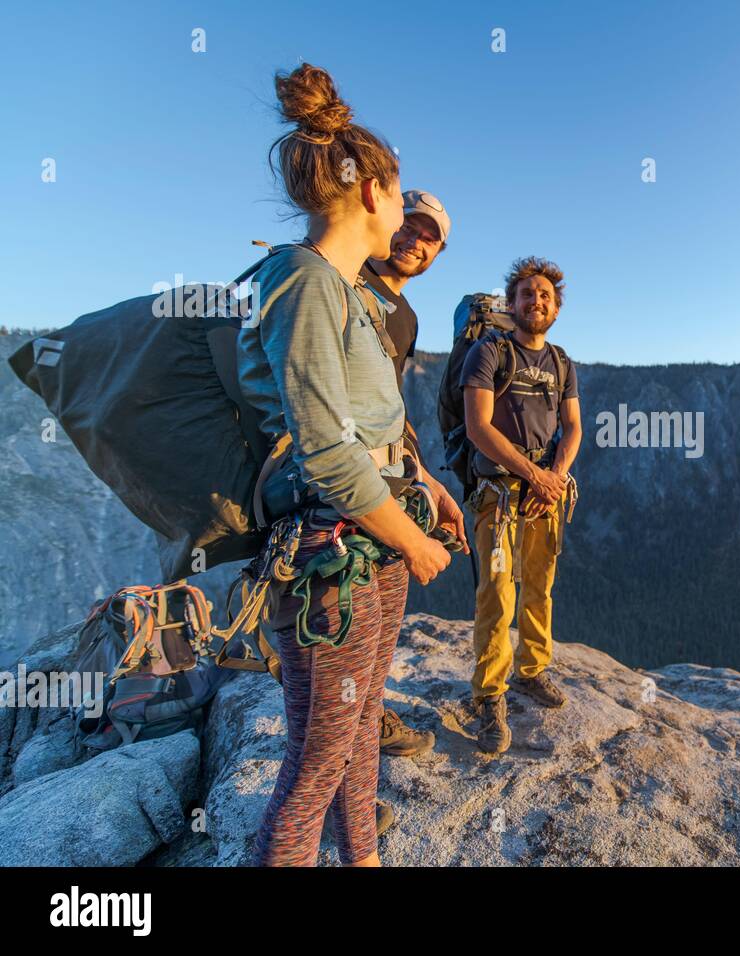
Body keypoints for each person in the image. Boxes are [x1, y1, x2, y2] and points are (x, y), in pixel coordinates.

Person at [237, 62, 464, 866]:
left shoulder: (348, 294)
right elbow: (328, 449)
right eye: (400, 194)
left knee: (361, 726)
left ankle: (362, 858)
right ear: (370, 192)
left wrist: (425, 490)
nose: (403, 212)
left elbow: (375, 426)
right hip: (329, 559)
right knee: (316, 760)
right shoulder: (301, 284)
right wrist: (413, 540)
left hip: (366, 546)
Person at [461, 257, 582, 754]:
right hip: (501, 496)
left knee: (539, 585)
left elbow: (573, 427)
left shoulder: (561, 362)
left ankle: (532, 669)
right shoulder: (489, 353)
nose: (537, 301)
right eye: (527, 294)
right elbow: (478, 427)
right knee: (497, 592)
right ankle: (489, 693)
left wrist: (553, 477)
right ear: (511, 304)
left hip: (543, 496)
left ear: (556, 308)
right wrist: (536, 475)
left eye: (545, 296)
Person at [359, 190, 462, 758]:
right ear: (384, 220)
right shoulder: (342, 283)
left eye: (430, 237)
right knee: (350, 618)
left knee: (379, 616)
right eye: (409, 226)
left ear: (437, 253)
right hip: (337, 485)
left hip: (384, 472)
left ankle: (366, 722)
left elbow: (388, 410)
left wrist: (428, 481)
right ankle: (335, 761)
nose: (415, 241)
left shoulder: (406, 316)